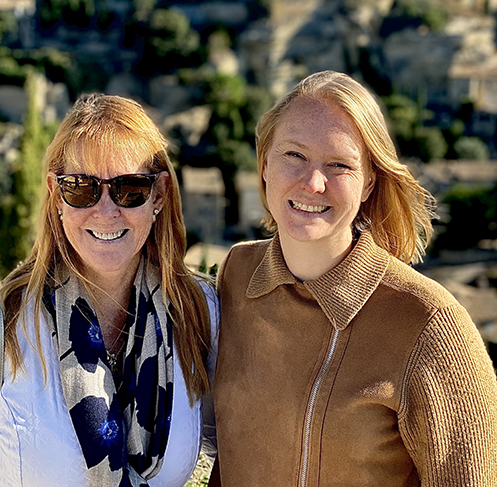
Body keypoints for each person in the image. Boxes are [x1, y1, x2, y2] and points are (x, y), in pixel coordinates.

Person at [211, 71, 497, 487]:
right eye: (293, 155)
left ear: (368, 184)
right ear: (264, 164)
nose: (312, 182)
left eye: (339, 164)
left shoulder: (431, 325)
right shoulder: (237, 275)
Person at [0, 94, 218, 487]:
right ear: (57, 195)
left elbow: (243, 448)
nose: (106, 211)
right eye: (81, 188)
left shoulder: (198, 315)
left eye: (129, 189)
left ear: (158, 195)